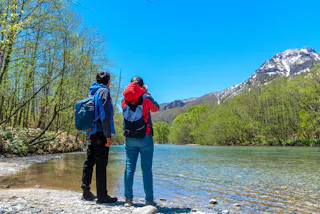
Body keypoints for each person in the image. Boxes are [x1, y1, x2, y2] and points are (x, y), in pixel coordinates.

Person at [122, 76, 160, 207]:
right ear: (141, 86)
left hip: (129, 138)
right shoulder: (145, 97)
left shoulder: (124, 100)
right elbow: (156, 108)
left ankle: (128, 200)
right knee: (146, 170)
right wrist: (146, 92)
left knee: (129, 169)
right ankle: (149, 200)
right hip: (145, 137)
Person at [81, 71, 118, 204]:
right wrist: (108, 136)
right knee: (101, 164)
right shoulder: (105, 92)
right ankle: (102, 196)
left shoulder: (92, 92)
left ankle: (86, 191)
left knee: (89, 162)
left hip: (91, 133)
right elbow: (105, 115)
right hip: (101, 133)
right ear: (108, 81)